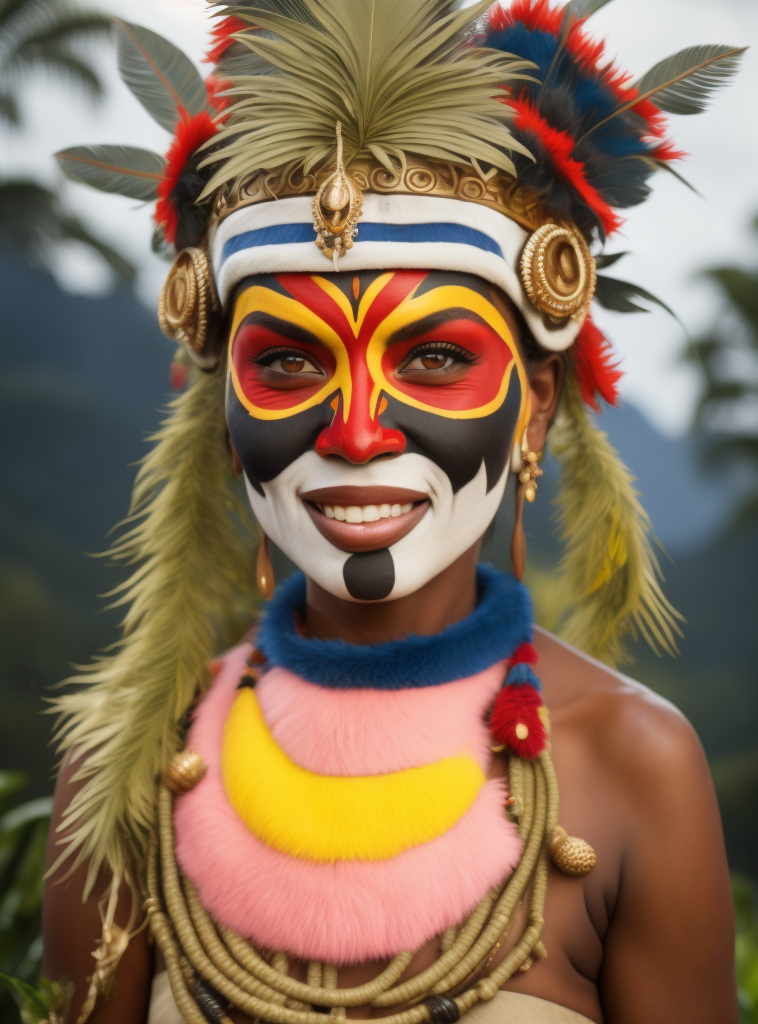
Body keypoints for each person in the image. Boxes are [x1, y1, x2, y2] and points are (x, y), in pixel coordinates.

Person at [43, 2, 744, 1022]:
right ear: (224, 408)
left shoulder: (636, 767)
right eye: (287, 361)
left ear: (534, 403)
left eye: (435, 358)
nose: (358, 432)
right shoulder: (130, 768)